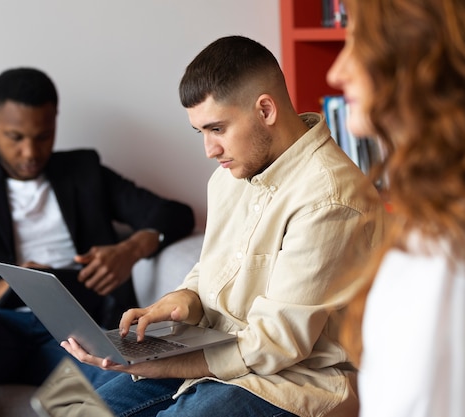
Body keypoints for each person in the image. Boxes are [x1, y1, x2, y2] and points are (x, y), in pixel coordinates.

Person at [57, 35, 388, 417]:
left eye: (217, 129)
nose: (209, 150)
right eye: (201, 133)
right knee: (67, 407)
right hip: (219, 358)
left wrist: (155, 364)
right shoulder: (228, 178)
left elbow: (276, 344)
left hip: (296, 382)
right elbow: (214, 270)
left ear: (265, 110)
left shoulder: (330, 199)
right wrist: (184, 299)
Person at [0, 67, 195, 417]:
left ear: (55, 122)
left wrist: (131, 250)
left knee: (140, 385)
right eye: (15, 137)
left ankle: (65, 402)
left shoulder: (84, 172)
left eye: (43, 136)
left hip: (73, 335)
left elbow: (175, 213)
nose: (30, 151)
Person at [325, 1, 465, 416]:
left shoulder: (461, 260)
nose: (337, 72)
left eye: (359, 41)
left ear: (420, 52)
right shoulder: (447, 226)